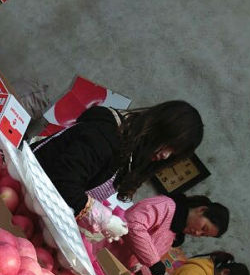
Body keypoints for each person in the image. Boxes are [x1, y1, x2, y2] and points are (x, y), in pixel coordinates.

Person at [31, 100, 204, 241]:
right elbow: (63, 181)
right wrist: (102, 219)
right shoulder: (105, 135)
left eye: (173, 153)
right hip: (24, 185)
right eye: (167, 144)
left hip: (37, 209)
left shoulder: (131, 156)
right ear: (157, 128)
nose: (165, 155)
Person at [110, 194, 230, 275]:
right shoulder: (165, 205)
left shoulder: (175, 234)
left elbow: (142, 256)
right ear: (202, 210)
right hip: (103, 251)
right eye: (203, 227)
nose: (197, 233)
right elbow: (133, 224)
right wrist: (154, 262)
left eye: (203, 235)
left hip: (112, 266)